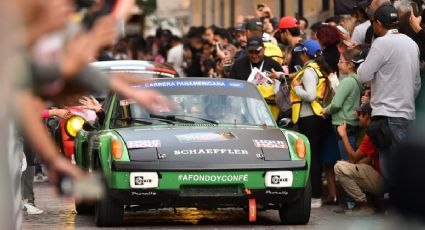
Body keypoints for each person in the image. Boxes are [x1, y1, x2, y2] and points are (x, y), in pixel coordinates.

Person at [357, 3, 421, 199]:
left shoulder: (382, 43)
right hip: (407, 114)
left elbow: (362, 74)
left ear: (377, 23)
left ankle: (395, 217)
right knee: (402, 169)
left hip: (388, 116)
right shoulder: (412, 43)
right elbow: (417, 83)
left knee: (390, 172)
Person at [289, 39, 332, 208]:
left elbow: (311, 95)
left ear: (305, 54)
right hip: (319, 116)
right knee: (316, 157)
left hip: (309, 118)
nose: (299, 56)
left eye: (301, 52)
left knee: (311, 158)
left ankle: (315, 196)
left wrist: (296, 89)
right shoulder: (320, 68)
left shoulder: (308, 71)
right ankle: (316, 194)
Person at [334, 102, 384, 216]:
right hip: (385, 179)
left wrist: (343, 135)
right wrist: (350, 164)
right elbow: (365, 160)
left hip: (381, 181)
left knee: (339, 167)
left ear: (367, 116)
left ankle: (364, 204)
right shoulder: (378, 128)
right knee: (348, 166)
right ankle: (369, 203)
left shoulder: (371, 133)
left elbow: (354, 158)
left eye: (360, 114)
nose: (357, 116)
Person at [323, 48, 364, 160]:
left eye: (341, 61)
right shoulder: (359, 80)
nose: (338, 64)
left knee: (346, 161)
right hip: (353, 123)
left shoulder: (347, 81)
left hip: (344, 124)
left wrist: (325, 110)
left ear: (350, 65)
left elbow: (336, 104)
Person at [229, 36, 283, 119]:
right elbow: (231, 86)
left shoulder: (273, 65)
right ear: (246, 50)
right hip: (243, 111)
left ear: (264, 49)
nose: (254, 55)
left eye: (257, 52)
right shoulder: (238, 64)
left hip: (268, 112)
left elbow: (284, 87)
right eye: (251, 52)